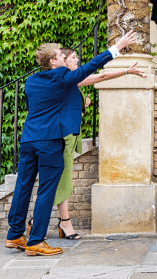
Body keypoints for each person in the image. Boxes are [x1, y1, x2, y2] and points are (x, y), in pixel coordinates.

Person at [5, 30, 137, 256]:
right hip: (49, 142)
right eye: (60, 55)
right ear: (53, 61)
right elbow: (90, 68)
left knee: (23, 187)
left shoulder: (31, 81)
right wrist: (117, 47)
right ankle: (35, 240)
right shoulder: (63, 77)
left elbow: (49, 104)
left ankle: (15, 234)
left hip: (28, 139)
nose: (65, 58)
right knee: (47, 191)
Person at [49, 49, 146, 240]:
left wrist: (80, 105)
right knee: (61, 180)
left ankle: (55, 222)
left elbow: (99, 78)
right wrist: (126, 71)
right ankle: (56, 222)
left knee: (62, 180)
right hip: (61, 137)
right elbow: (102, 75)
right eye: (72, 58)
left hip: (69, 137)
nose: (77, 60)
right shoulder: (65, 79)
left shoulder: (70, 81)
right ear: (62, 62)